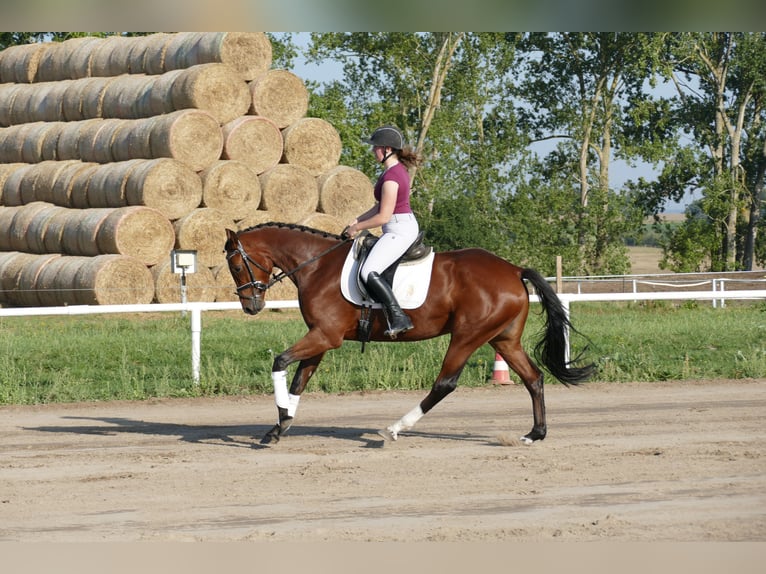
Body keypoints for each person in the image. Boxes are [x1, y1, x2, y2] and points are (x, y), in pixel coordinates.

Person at [344, 124, 422, 338]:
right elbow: (379, 206)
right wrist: (358, 219)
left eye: (375, 147)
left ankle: (399, 317)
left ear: (387, 149)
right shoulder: (394, 171)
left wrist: (358, 228)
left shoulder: (391, 178)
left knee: (368, 271)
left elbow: (383, 216)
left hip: (399, 228)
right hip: (397, 225)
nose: (373, 151)